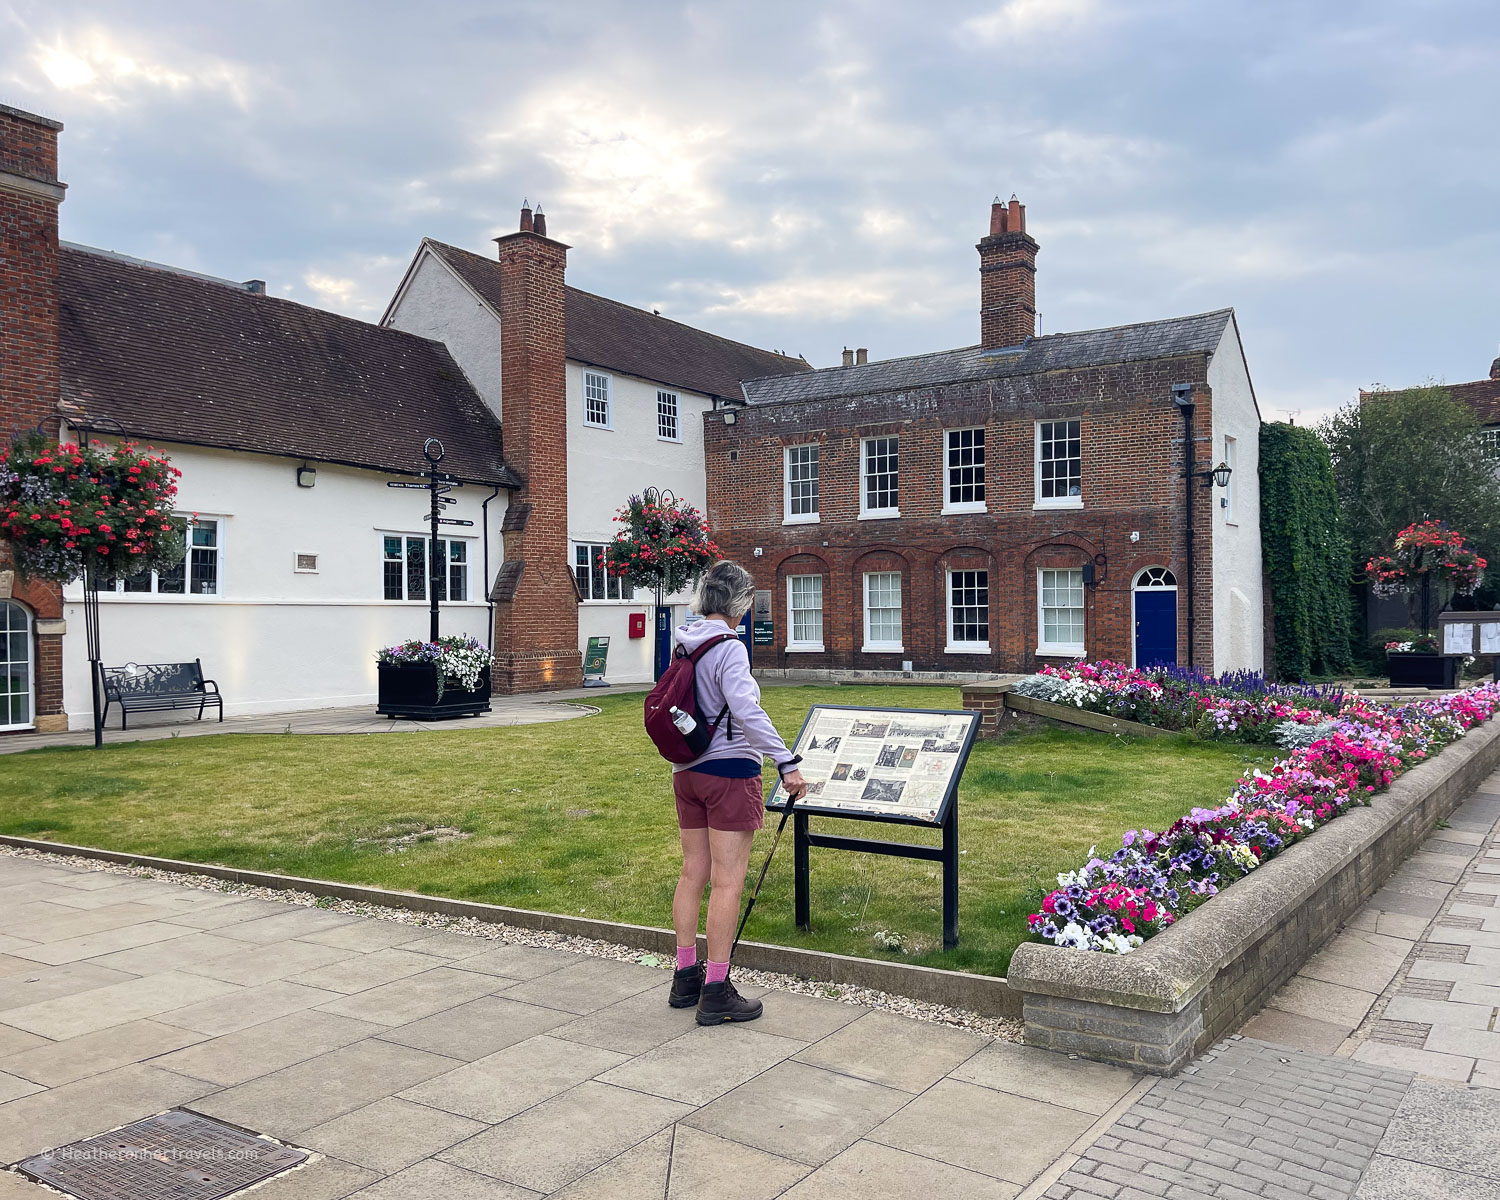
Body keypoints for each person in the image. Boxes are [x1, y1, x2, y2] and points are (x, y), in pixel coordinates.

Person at [669, 560, 807, 1024]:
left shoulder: (683, 643)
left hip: (686, 771)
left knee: (693, 874)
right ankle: (716, 989)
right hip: (728, 772)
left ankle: (685, 975)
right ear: (740, 603)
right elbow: (746, 712)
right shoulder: (729, 647)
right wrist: (785, 761)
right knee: (728, 881)